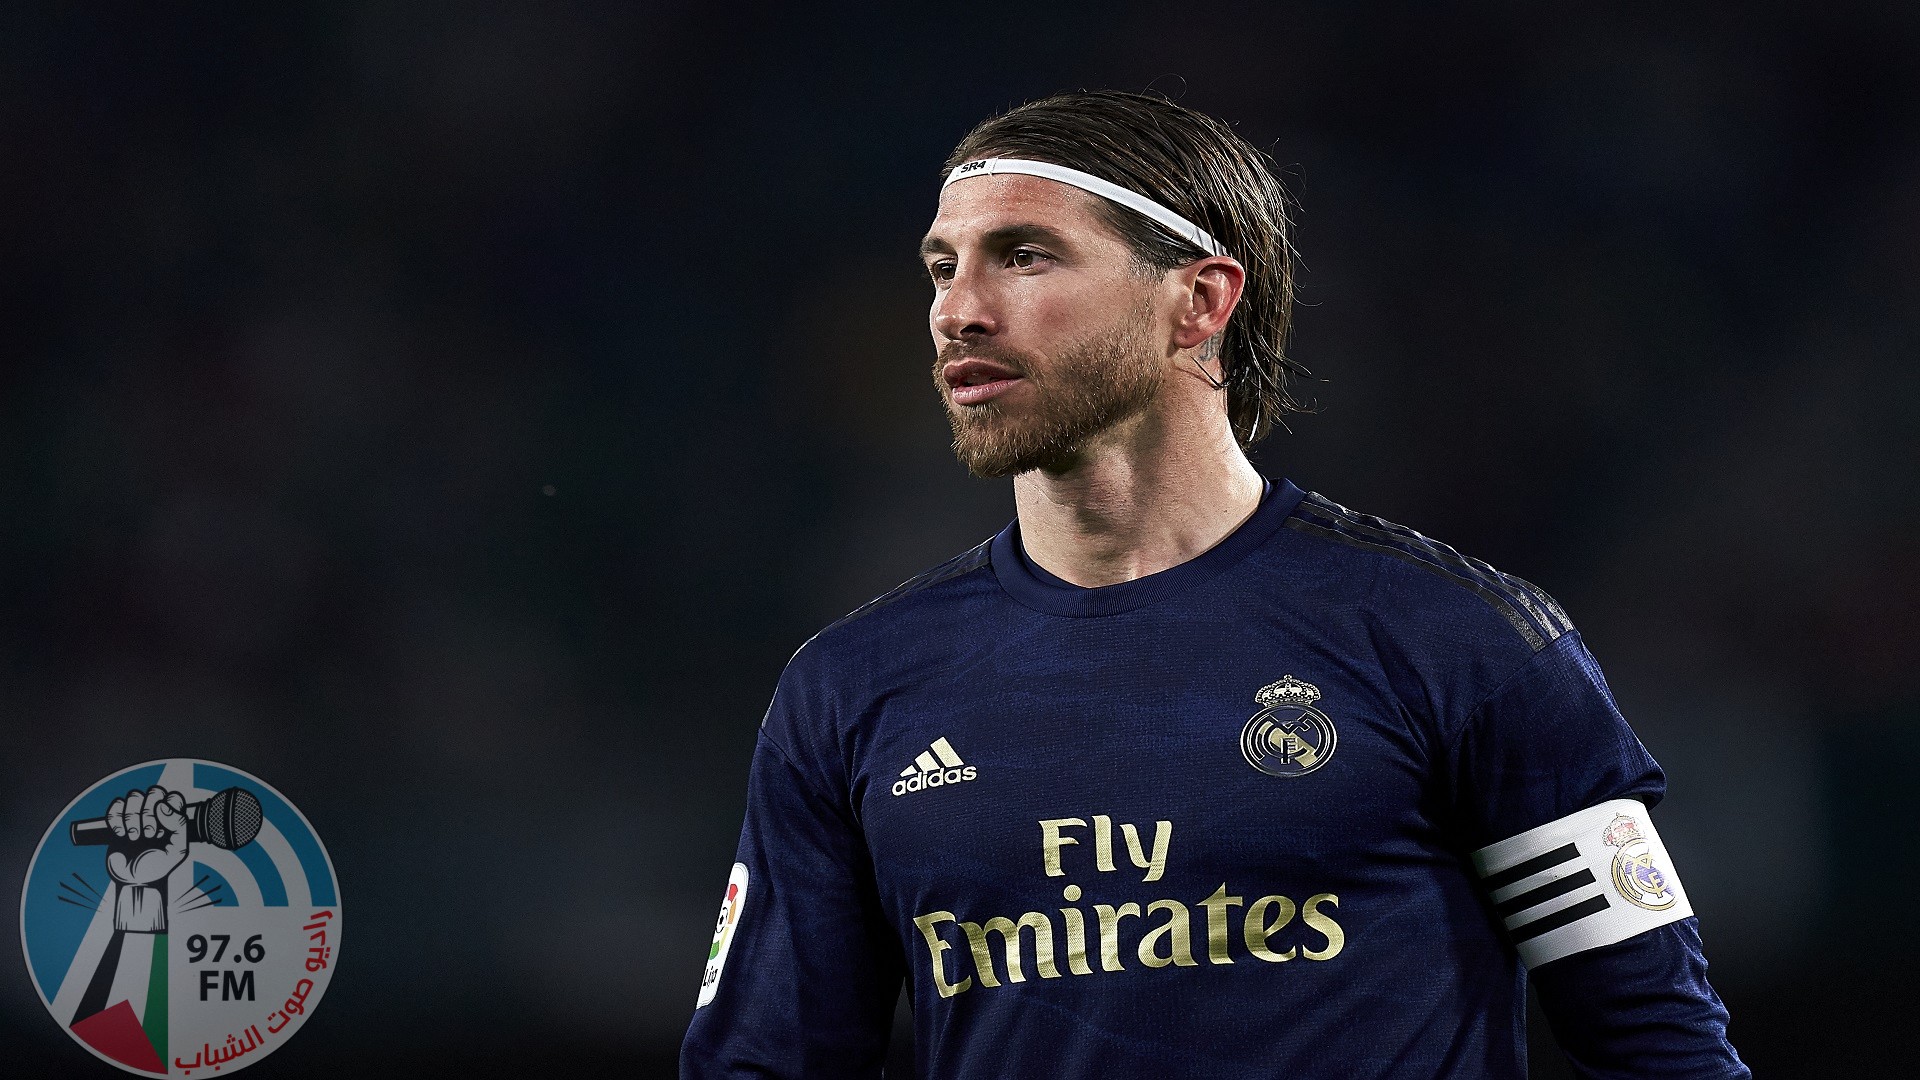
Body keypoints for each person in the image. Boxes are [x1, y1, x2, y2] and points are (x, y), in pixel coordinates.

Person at [681, 90, 1748, 1079]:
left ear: (1199, 300)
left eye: (1023, 256)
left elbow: (1659, 1046)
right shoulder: (850, 691)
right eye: (940, 266)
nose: (959, 309)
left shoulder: (1455, 641)